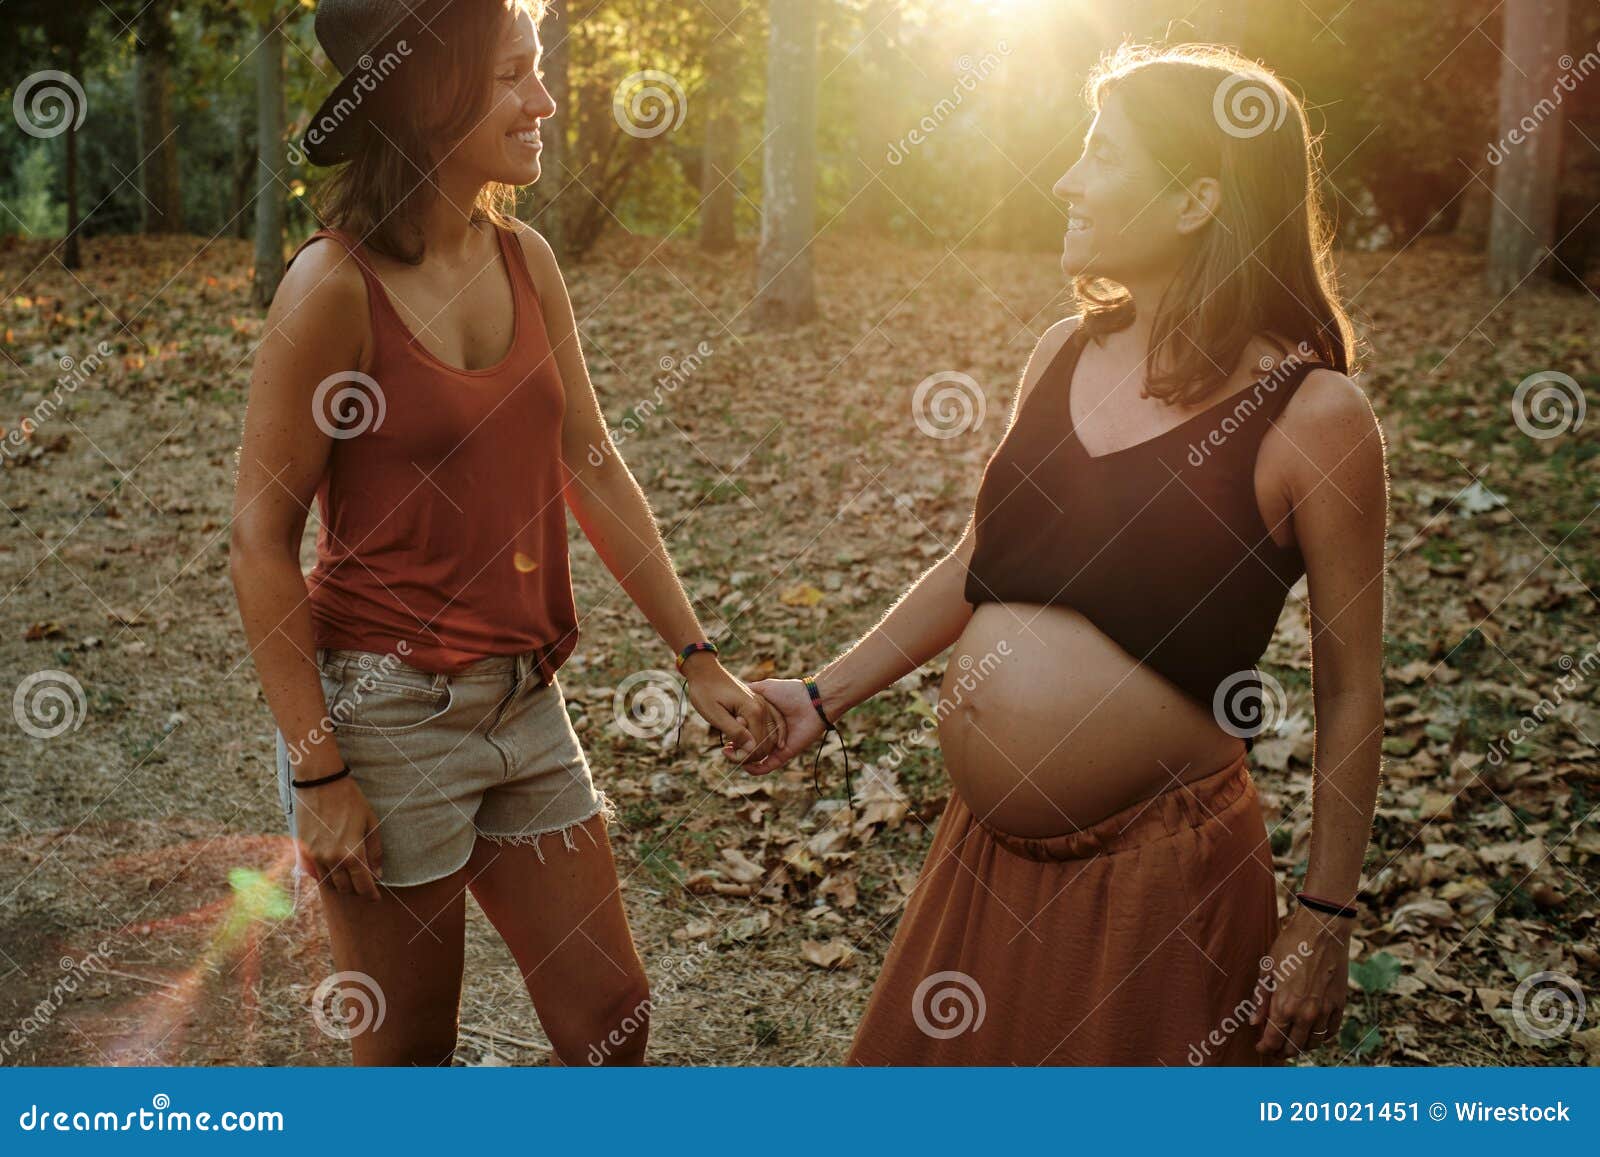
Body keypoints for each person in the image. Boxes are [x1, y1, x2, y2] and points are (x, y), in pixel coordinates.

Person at [743, 43, 1387, 1066]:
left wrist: (1323, 911)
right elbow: (977, 560)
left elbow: (1351, 683)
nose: (1065, 180)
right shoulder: (1061, 351)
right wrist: (821, 696)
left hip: (1154, 895)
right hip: (983, 868)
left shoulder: (1314, 416)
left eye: (1099, 154)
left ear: (1193, 202)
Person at [229, 0, 780, 1066]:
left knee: (612, 1022)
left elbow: (591, 460)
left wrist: (695, 652)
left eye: (538, 70)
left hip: (526, 702)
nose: (546, 100)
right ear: (431, 97)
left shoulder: (524, 256)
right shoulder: (331, 287)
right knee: (409, 1064)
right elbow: (259, 537)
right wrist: (320, 772)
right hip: (386, 717)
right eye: (512, 76)